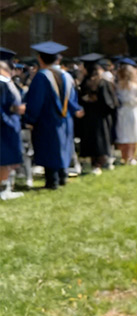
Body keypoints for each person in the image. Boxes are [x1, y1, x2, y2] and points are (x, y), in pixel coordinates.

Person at [23, 42, 84, 189]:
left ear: (40, 59)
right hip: (65, 119)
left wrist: (30, 119)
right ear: (58, 59)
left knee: (49, 148)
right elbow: (72, 99)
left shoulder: (41, 77)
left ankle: (52, 181)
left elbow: (36, 101)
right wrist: (76, 109)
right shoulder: (67, 76)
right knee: (63, 147)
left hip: (47, 120)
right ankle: (63, 177)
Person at [77, 53, 118, 175]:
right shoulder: (85, 82)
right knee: (91, 141)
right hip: (89, 117)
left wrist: (93, 100)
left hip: (100, 117)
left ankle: (100, 162)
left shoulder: (103, 82)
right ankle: (93, 163)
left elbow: (109, 103)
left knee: (100, 141)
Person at [0, 57, 25, 199]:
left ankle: (6, 187)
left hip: (10, 124)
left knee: (8, 159)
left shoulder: (6, 82)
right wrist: (9, 120)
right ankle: (3, 190)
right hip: (5, 127)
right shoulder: (2, 83)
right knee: (4, 159)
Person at [115, 61, 137, 165]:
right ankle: (131, 157)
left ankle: (124, 156)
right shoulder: (135, 86)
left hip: (122, 111)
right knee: (133, 135)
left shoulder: (118, 86)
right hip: (133, 111)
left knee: (124, 135)